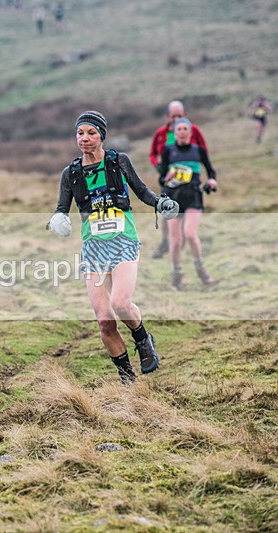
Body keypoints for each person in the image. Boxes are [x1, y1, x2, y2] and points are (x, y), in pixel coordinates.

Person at [48, 111, 179, 384]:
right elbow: (62, 208)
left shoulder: (118, 161)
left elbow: (141, 191)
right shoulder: (70, 174)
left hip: (123, 242)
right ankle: (127, 380)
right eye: (80, 133)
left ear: (102, 136)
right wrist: (58, 219)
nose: (84, 138)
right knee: (105, 322)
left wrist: (160, 203)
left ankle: (142, 338)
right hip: (93, 249)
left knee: (120, 303)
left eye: (91, 133)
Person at [158, 118, 218, 290]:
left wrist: (212, 181)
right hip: (174, 198)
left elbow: (211, 171)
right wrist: (167, 178)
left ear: (191, 133)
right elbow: (161, 179)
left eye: (186, 129)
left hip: (193, 196)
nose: (183, 132)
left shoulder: (198, 150)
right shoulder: (168, 151)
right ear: (175, 133)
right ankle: (176, 275)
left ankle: (201, 270)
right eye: (179, 129)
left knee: (190, 234)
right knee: (176, 241)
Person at [148, 100, 208, 259]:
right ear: (167, 116)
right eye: (173, 116)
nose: (176, 119)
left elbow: (203, 151)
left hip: (189, 182)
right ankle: (165, 243)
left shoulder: (193, 130)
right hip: (169, 181)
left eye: (179, 116)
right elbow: (152, 154)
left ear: (185, 115)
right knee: (167, 214)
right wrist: (158, 166)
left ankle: (182, 243)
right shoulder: (160, 134)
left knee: (185, 216)